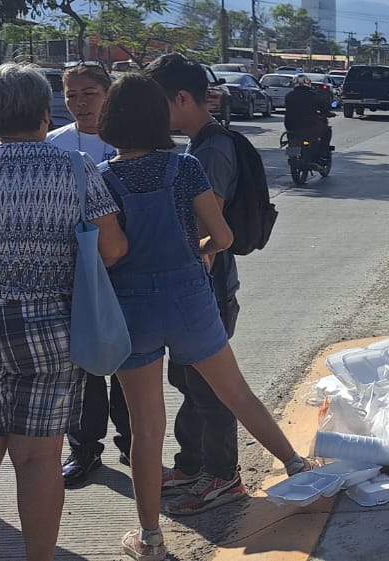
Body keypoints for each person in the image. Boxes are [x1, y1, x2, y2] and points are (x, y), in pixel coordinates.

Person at [95, 75, 310, 560]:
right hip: (191, 298)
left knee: (146, 427)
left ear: (110, 120)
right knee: (235, 393)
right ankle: (299, 467)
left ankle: (149, 539)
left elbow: (109, 251)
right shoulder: (185, 168)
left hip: (133, 308)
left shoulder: (102, 178)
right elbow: (225, 236)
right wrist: (200, 253)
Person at [0, 63, 128, 561]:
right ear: (44, 113)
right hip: (47, 328)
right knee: (39, 459)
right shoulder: (74, 167)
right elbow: (113, 248)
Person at [146, 54, 249, 516]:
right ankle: (191, 464)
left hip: (207, 291)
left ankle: (224, 475)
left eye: (156, 103)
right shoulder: (197, 146)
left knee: (210, 389)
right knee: (187, 380)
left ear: (182, 99)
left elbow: (212, 230)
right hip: (195, 291)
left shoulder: (209, 152)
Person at [45, 62, 128, 487]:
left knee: (130, 362)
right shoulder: (54, 145)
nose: (79, 103)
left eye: (88, 93)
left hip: (125, 267)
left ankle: (134, 445)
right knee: (87, 366)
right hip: (76, 272)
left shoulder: (130, 139)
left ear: (108, 92)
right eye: (71, 95)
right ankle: (84, 448)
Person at [283, 76, 332, 163]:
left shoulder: (288, 96)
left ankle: (292, 157)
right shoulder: (313, 95)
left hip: (291, 126)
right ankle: (323, 154)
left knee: (292, 139)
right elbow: (323, 108)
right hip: (309, 126)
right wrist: (327, 113)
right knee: (327, 131)